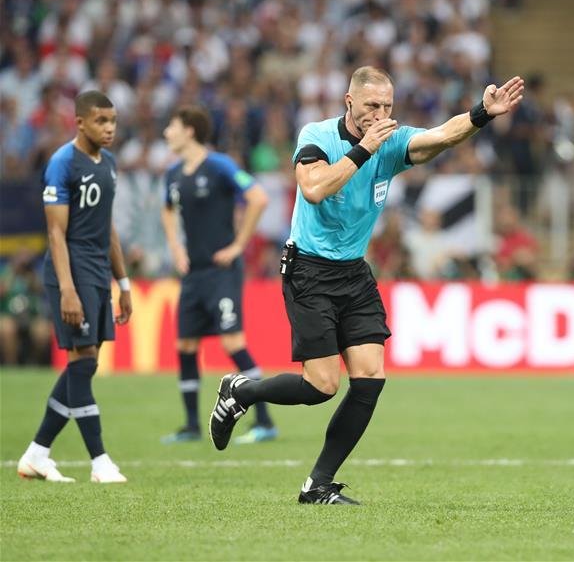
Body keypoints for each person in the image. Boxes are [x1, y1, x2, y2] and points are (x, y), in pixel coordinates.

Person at [209, 66, 523, 505]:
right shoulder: (316, 136)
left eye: (388, 106)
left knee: (371, 377)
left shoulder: (391, 140)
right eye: (372, 105)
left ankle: (317, 484)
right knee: (321, 386)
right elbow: (314, 189)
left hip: (353, 271)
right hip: (309, 269)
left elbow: (441, 136)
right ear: (349, 102)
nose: (381, 114)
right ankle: (240, 390)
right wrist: (362, 150)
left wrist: (481, 113)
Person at [16, 90, 133, 483]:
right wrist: (66, 288)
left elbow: (109, 227)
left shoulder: (110, 163)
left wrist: (125, 282)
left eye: (113, 121)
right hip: (73, 269)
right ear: (80, 122)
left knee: (85, 365)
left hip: (99, 272)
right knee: (82, 362)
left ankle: (36, 454)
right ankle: (100, 461)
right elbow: (55, 231)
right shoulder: (62, 163)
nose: (110, 128)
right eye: (102, 121)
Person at [160, 105, 277, 444]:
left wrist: (239, 244)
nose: (167, 133)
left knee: (232, 342)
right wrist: (176, 248)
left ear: (190, 130)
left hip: (222, 271)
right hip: (193, 273)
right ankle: (191, 425)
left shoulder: (220, 165)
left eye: (172, 126)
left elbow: (258, 197)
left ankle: (265, 421)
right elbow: (167, 210)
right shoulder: (173, 175)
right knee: (184, 344)